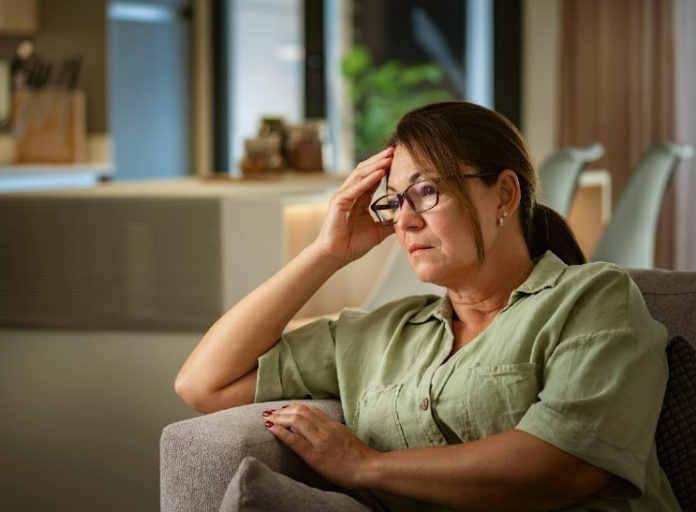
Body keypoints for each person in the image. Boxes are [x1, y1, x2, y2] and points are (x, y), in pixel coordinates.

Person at [175, 102, 680, 511]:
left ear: (504, 194)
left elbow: (564, 465)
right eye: (394, 202)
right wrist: (325, 253)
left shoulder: (593, 297)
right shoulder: (381, 335)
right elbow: (203, 383)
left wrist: (364, 466)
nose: (405, 221)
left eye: (427, 192)